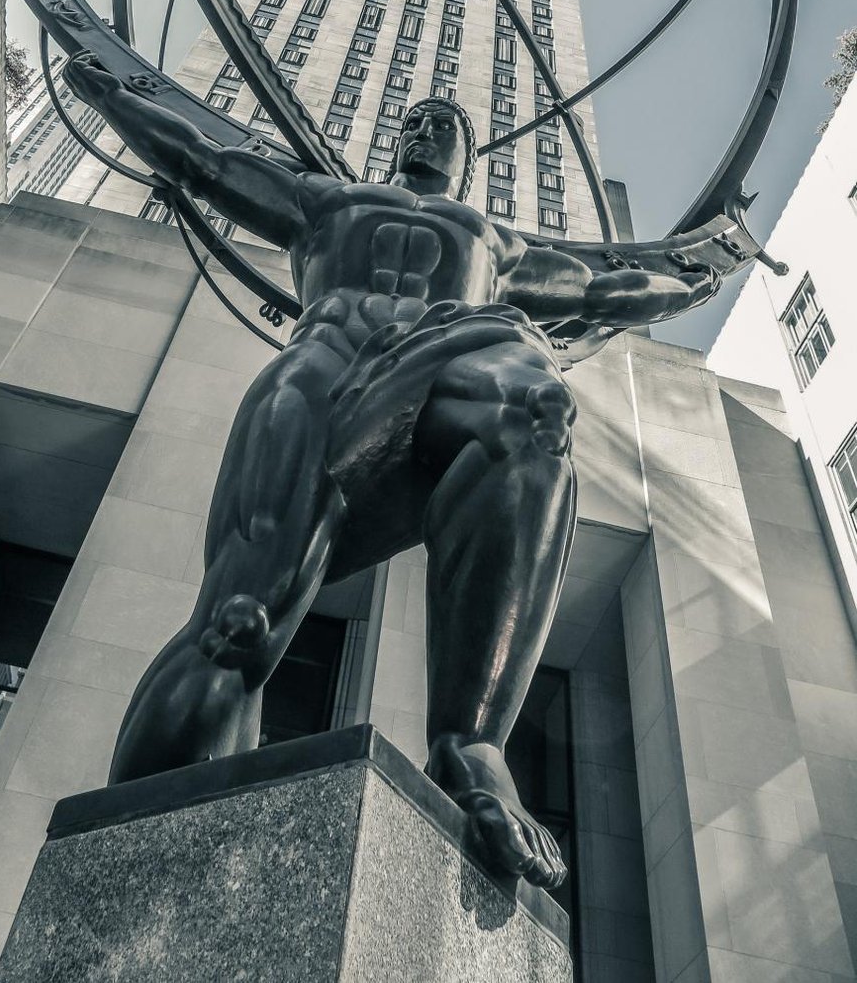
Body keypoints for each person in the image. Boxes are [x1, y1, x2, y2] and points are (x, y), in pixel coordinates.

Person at [64, 50, 717, 889]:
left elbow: (603, 287)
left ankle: (473, 743)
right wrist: (115, 94)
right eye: (414, 118)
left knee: (532, 418)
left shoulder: (496, 242)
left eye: (446, 122)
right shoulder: (329, 198)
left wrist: (692, 277)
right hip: (324, 374)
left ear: (469, 155)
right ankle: (121, 877)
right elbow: (207, 160)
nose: (426, 126)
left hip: (449, 364)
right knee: (239, 622)